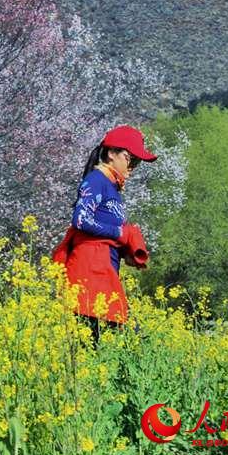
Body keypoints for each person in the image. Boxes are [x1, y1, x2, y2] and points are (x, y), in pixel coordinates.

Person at [52, 125, 156, 339]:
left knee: (103, 338)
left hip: (102, 271)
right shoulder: (96, 181)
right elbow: (81, 220)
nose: (134, 166)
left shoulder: (110, 187)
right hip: (90, 273)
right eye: (131, 159)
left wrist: (126, 249)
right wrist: (119, 233)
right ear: (111, 154)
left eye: (137, 162)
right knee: (122, 336)